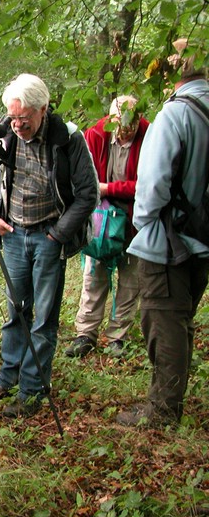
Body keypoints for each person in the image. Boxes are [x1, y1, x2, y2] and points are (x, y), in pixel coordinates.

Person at [0, 73, 98, 418]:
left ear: (43, 109)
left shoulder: (68, 139)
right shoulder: (5, 132)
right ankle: (8, 378)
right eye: (13, 117)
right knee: (16, 310)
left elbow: (87, 194)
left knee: (43, 319)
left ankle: (31, 393)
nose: (17, 125)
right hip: (13, 233)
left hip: (49, 236)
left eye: (24, 118)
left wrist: (58, 234)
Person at [117, 40, 209, 427]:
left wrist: (142, 223)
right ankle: (166, 403)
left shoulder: (174, 115)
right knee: (181, 320)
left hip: (168, 241)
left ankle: (162, 412)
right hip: (202, 237)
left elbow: (151, 186)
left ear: (173, 70)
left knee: (163, 321)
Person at [65, 96, 149, 359]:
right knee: (94, 275)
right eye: (120, 124)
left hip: (134, 218)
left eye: (131, 124)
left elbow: (146, 184)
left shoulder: (149, 134)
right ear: (111, 119)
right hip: (99, 217)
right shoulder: (96, 135)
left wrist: (109, 189)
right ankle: (85, 334)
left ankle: (118, 337)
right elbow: (83, 177)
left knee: (130, 278)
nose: (126, 130)